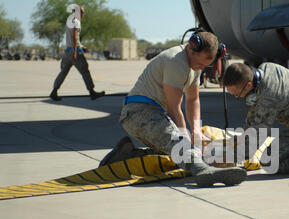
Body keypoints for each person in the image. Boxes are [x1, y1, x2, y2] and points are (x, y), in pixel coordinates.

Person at [100, 31, 247, 187]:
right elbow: (174, 108)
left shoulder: (195, 65)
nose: (201, 68)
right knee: (179, 145)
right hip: (139, 112)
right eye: (200, 64)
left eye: (206, 65)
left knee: (174, 155)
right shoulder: (176, 61)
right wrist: (186, 137)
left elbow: (193, 99)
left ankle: (126, 155)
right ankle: (203, 171)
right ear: (191, 49)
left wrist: (196, 131)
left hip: (151, 114)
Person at [50, 4, 105, 101]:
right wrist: (76, 51)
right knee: (85, 71)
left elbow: (72, 38)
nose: (83, 14)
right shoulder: (76, 22)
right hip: (74, 53)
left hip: (67, 51)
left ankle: (54, 91)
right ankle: (92, 92)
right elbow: (75, 37)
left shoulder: (69, 20)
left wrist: (81, 47)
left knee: (63, 72)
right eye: (82, 12)